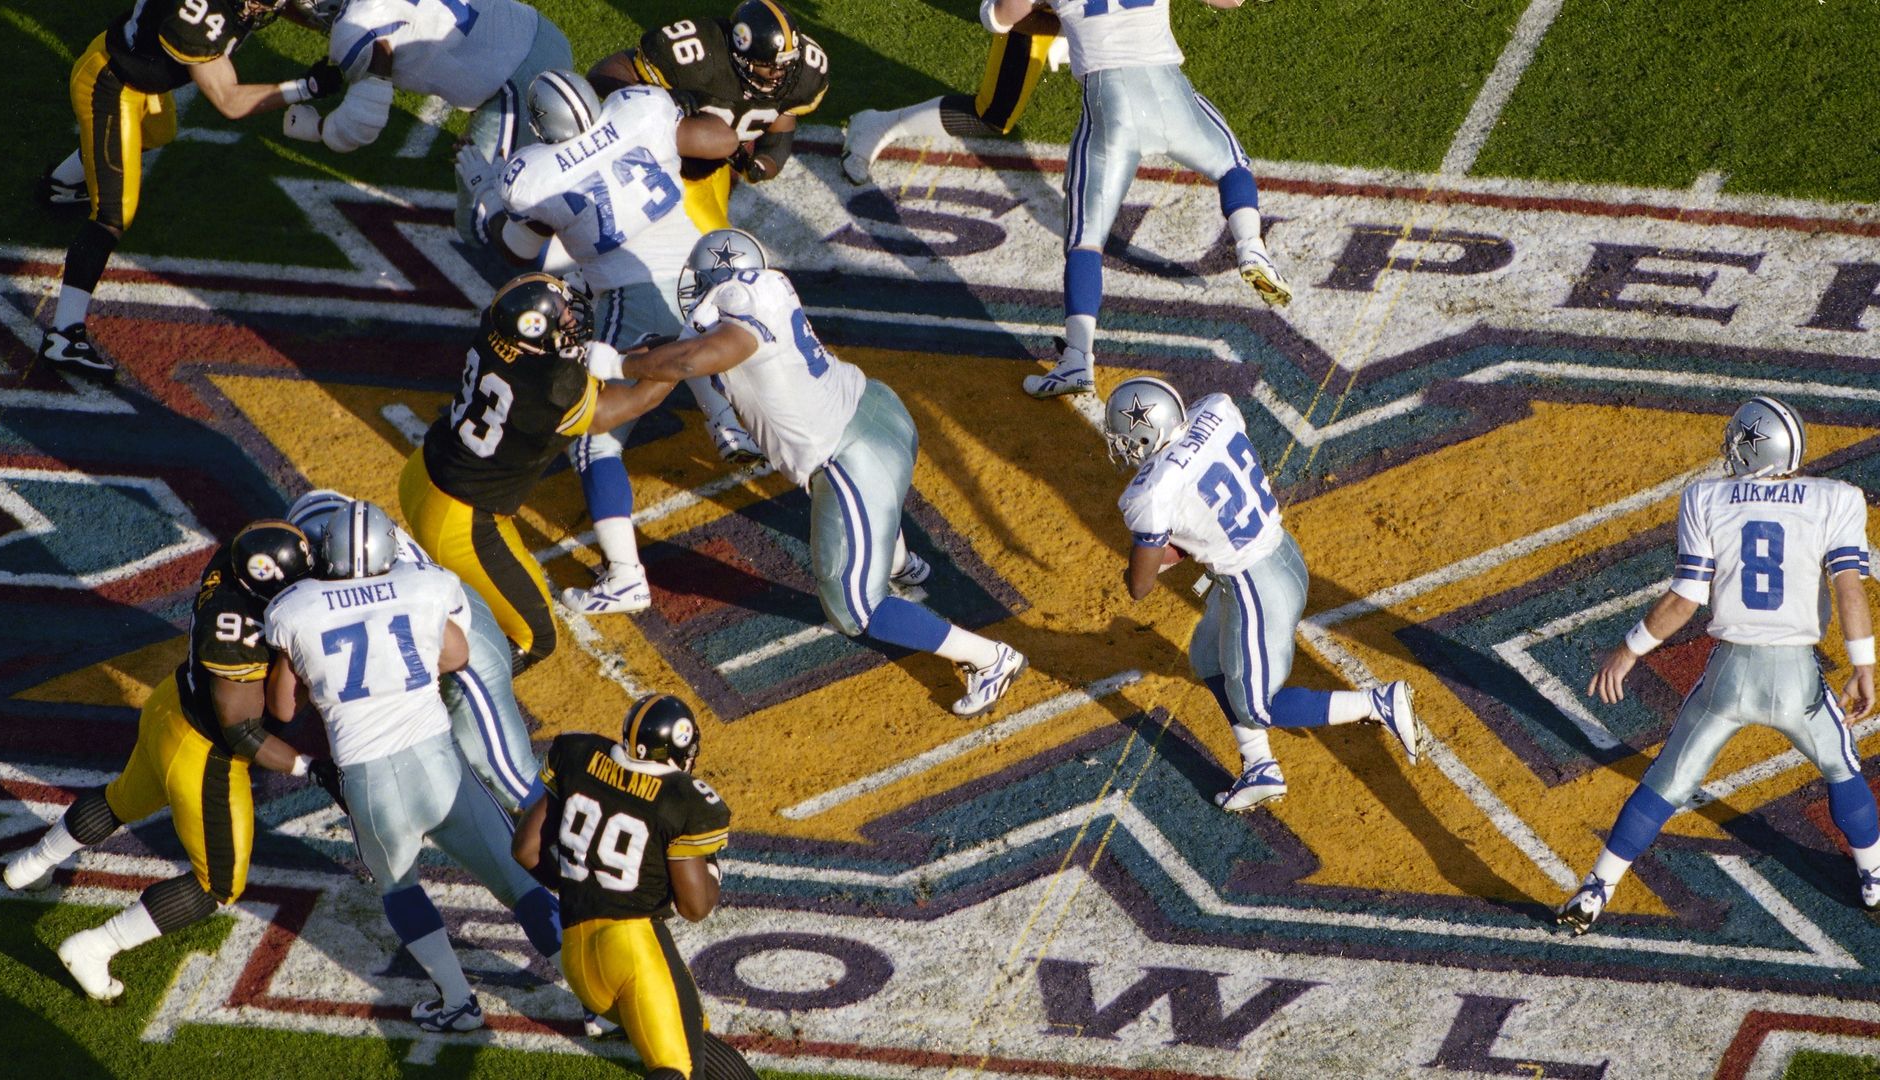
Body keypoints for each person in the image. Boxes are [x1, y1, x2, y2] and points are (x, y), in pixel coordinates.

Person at [591, 228, 1028, 717]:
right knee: (868, 510)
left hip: (852, 457)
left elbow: (701, 355)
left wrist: (621, 362)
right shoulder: (765, 289)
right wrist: (621, 373)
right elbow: (675, 367)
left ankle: (989, 658)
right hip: (878, 411)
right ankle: (902, 562)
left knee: (854, 609)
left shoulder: (736, 312)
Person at [1558, 397, 1880, 934]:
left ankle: (1597, 887)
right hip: (1796, 675)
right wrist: (1863, 664)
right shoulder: (1836, 500)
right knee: (1840, 766)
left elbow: (1684, 599)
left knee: (1668, 779)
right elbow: (1849, 588)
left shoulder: (1707, 497)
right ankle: (1873, 875)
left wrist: (1629, 649)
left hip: (1729, 675)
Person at [1, 521, 333, 1000]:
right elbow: (245, 731)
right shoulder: (235, 633)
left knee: (121, 799)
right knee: (216, 884)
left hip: (171, 707)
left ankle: (30, 864)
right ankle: (97, 946)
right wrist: (308, 767)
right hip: (207, 754)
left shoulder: (231, 564)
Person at [263, 501, 563, 1031]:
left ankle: (457, 1002)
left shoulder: (294, 608)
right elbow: (455, 656)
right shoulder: (423, 585)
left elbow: (283, 710)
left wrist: (320, 677)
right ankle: (595, 997)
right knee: (518, 881)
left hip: (371, 780)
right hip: (439, 763)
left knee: (400, 889)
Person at [492, 72, 759, 612]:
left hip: (633, 291)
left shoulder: (532, 176)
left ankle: (624, 575)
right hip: (702, 270)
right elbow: (712, 141)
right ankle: (729, 424)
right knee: (714, 349)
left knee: (594, 433)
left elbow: (518, 251)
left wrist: (485, 203)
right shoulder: (637, 110)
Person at [1105, 377, 1419, 811]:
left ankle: (1377, 702)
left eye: (1127, 437)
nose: (1124, 448)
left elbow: (1139, 587)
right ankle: (1260, 768)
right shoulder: (1213, 411)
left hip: (1254, 586)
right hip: (1281, 551)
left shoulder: (1152, 492)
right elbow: (1204, 511)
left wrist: (1141, 562)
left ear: (1147, 431)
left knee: (1258, 708)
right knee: (1208, 657)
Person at [981, 0, 1289, 400]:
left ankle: (1077, 357)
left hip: (1111, 106)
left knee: (1085, 237)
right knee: (1232, 164)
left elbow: (1002, 16)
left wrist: (1041, 17)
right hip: (1168, 89)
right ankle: (1251, 247)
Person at [38, 0, 341, 376]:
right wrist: (305, 87)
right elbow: (229, 100)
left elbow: (278, 7)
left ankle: (63, 184)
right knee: (114, 214)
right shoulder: (197, 17)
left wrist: (319, 22)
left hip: (138, 79)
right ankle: (63, 336)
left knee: (158, 131)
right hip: (110, 83)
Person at [398, 272, 676, 663]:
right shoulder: (554, 390)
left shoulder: (496, 326)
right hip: (462, 521)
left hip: (424, 472)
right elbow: (627, 405)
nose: (572, 320)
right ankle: (427, 699)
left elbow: (519, 294)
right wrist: (680, 362)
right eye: (562, 317)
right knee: (536, 638)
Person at [512, 694, 758, 1080]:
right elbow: (695, 907)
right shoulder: (682, 801)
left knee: (704, 1056)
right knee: (676, 1072)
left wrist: (585, 887)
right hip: (635, 953)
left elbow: (526, 850)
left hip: (578, 955)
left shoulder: (578, 754)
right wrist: (709, 867)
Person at [286, 489, 542, 815]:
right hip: (416, 646)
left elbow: (453, 654)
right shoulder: (365, 544)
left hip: (459, 642)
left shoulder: (394, 571)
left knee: (512, 781)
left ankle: (577, 835)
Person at [280, 0, 574, 249]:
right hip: (537, 31)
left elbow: (362, 122)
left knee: (479, 222)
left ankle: (563, 272)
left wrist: (317, 127)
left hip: (518, 82)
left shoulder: (357, 26)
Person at [587, 0, 829, 233]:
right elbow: (603, 72)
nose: (781, 74)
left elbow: (781, 123)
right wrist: (658, 98)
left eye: (787, 64)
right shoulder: (699, 56)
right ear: (740, 57)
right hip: (667, 176)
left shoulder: (800, 74)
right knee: (720, 257)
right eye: (769, 65)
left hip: (715, 169)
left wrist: (763, 165)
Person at [840, 11, 1066, 185]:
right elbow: (1002, 14)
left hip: (1083, 17)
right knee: (993, 113)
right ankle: (878, 125)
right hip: (1036, 14)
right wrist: (1068, 26)